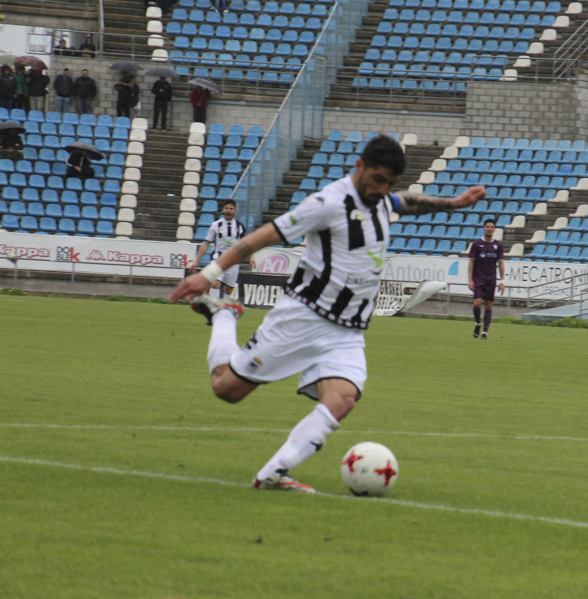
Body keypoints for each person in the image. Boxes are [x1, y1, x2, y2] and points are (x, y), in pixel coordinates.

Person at [167, 135, 486, 493]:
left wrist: (453, 203)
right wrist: (209, 275)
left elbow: (407, 201)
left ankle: (273, 473)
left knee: (343, 398)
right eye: (378, 179)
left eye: (389, 184)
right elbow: (261, 238)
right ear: (359, 166)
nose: (382, 190)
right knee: (227, 389)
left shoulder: (381, 200)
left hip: (346, 330)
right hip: (302, 318)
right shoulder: (327, 203)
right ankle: (224, 315)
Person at [189, 199, 246, 298]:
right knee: (215, 284)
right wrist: (197, 261)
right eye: (227, 208)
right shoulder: (216, 225)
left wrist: (252, 257)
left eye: (231, 209)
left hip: (233, 261)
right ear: (223, 210)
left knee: (228, 290)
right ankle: (213, 308)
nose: (229, 210)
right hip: (218, 259)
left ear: (235, 211)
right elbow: (206, 243)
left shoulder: (239, 226)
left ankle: (225, 309)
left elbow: (247, 243)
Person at [467, 218, 505, 339]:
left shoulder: (498, 245)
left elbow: (501, 263)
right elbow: (471, 262)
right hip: (478, 278)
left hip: (491, 279)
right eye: (487, 226)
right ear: (484, 228)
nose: (489, 229)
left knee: (488, 304)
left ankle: (485, 332)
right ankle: (478, 323)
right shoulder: (477, 244)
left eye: (491, 227)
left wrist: (502, 281)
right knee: (477, 303)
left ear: (494, 229)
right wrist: (470, 280)